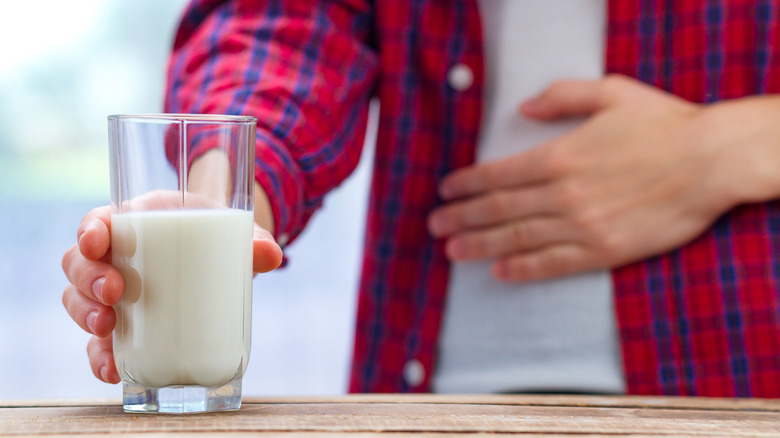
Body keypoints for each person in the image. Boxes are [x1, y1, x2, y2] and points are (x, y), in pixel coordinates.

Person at [62, 0, 780, 397]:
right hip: (428, 395)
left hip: (739, 386)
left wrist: (736, 144)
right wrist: (222, 197)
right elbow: (289, 22)